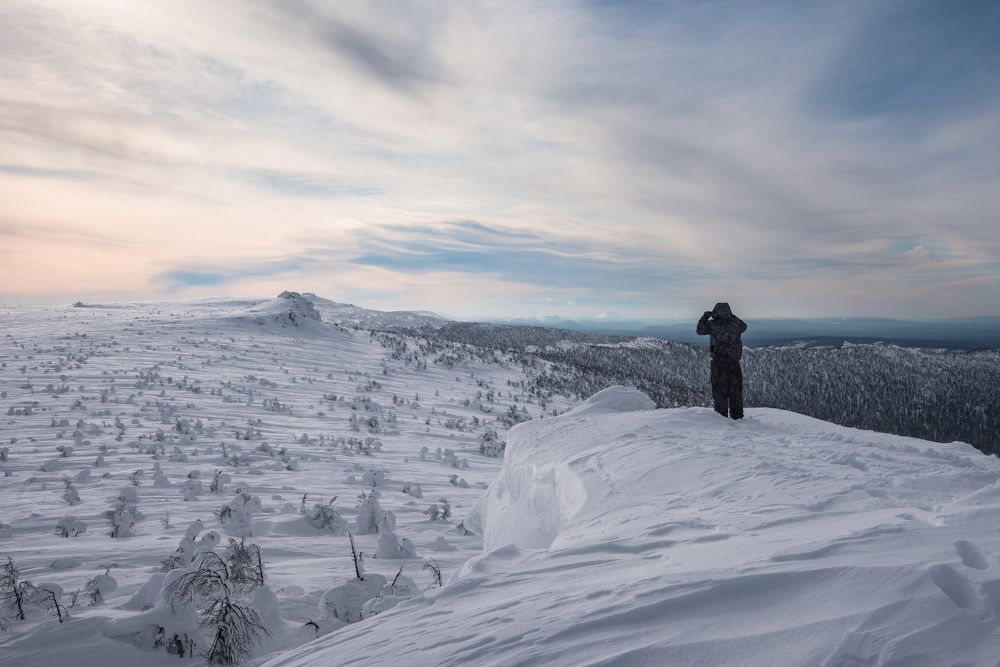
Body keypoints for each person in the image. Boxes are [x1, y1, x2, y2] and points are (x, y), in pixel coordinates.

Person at [697, 302, 748, 419]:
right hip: (734, 363)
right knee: (736, 391)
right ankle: (737, 416)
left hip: (718, 363)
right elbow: (744, 326)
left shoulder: (712, 325)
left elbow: (699, 330)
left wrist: (705, 317)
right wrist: (733, 317)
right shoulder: (736, 325)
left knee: (720, 391)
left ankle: (721, 417)